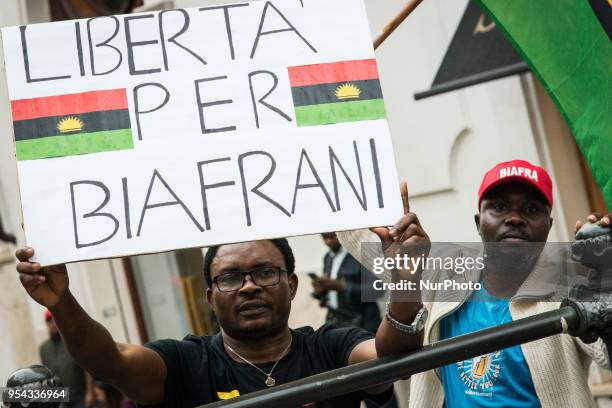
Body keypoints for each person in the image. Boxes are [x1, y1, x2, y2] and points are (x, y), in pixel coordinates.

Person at [15, 185, 428, 407]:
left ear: (293, 284)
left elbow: (393, 355)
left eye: (265, 272)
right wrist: (61, 301)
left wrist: (406, 274)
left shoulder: (330, 346)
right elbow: (110, 363)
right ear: (209, 297)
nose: (248, 286)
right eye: (230, 278)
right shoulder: (184, 364)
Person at [340, 159, 612, 408]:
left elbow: (606, 354)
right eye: (499, 206)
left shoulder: (568, 286)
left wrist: (605, 279)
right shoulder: (444, 273)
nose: (515, 218)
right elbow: (362, 238)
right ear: (478, 222)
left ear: (548, 225)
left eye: (531, 209)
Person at [311, 232, 382, 333]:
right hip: (337, 322)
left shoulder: (360, 255)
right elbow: (331, 292)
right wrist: (321, 290)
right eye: (325, 238)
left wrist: (342, 286)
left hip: (362, 325)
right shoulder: (328, 257)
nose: (329, 241)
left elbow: (377, 290)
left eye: (332, 237)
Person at [39, 310, 93, 408]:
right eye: (49, 321)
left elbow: (87, 369)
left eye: (55, 320)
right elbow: (45, 376)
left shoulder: (73, 342)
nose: (53, 323)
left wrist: (90, 392)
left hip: (79, 397)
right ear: (46, 323)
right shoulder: (44, 349)